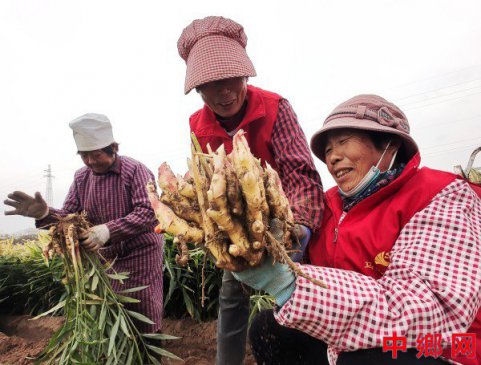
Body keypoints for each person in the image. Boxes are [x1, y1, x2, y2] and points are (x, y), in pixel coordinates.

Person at [233, 94, 481, 365]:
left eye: (343, 142)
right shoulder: (326, 205)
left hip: (449, 345)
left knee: (363, 359)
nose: (333, 158)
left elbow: (425, 313)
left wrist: (291, 284)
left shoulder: (439, 194)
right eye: (327, 151)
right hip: (357, 336)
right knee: (267, 328)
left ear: (390, 143)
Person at [177, 16, 324, 364]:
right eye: (211, 84)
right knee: (231, 297)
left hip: (287, 223)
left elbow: (300, 171)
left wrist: (297, 229)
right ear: (199, 91)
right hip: (236, 230)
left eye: (231, 79)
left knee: (297, 294)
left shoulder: (275, 107)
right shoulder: (197, 125)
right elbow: (203, 177)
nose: (223, 91)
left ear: (245, 76)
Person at [4, 113, 163, 333]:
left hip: (140, 255)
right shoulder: (82, 178)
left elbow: (149, 212)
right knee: (110, 314)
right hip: (104, 258)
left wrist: (108, 230)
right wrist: (44, 213)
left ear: (112, 148)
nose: (90, 162)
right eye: (84, 156)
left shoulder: (135, 171)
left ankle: (149, 352)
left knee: (142, 308)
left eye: (96, 155)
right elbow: (68, 217)